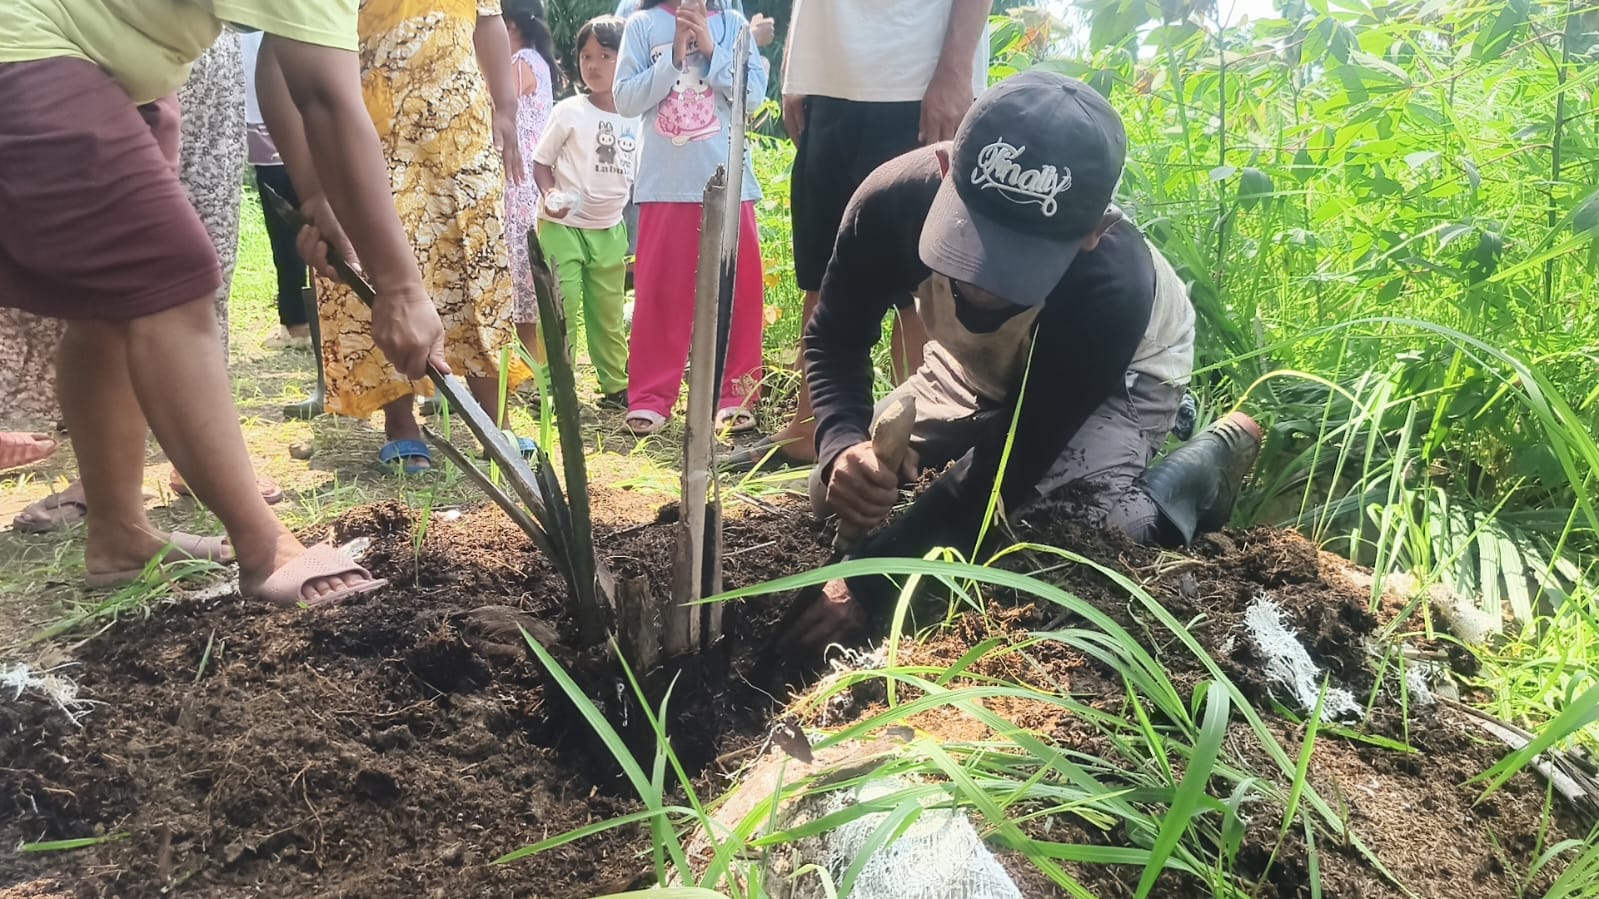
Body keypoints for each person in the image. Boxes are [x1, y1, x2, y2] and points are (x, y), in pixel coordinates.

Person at [780, 72, 1263, 656]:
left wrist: (870, 581)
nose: (983, 284)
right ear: (945, 171)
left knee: (1046, 536)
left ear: (1094, 232)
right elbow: (835, 336)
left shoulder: (1112, 284)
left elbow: (1009, 465)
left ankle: (1187, 477)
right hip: (973, 366)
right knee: (827, 492)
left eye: (1016, 260)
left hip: (1120, 378)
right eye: (970, 242)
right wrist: (843, 448)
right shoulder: (893, 200)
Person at [0, 0, 450, 604]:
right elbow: (319, 92)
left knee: (106, 303)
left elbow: (288, 56)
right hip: (29, 41)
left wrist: (318, 196)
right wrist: (399, 287)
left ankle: (119, 534)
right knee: (168, 275)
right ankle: (264, 546)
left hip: (118, 67)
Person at [6, 34, 283, 534]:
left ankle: (203, 466)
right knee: (103, 279)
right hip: (93, 50)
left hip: (201, 66)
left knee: (205, 270)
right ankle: (108, 489)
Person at [726, 0, 992, 472]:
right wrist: (799, 68)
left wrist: (956, 70)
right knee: (822, 268)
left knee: (923, 281)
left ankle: (919, 445)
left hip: (913, 75)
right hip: (829, 78)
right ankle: (811, 429)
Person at [312, 0, 534, 473]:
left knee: (479, 272)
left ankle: (496, 423)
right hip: (377, 137)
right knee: (381, 271)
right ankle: (401, 426)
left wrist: (506, 108)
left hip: (463, 137)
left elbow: (489, 22)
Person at [614, 0, 769, 436]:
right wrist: (674, 57)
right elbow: (625, 99)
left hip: (730, 181)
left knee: (738, 292)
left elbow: (753, 96)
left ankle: (736, 395)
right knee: (659, 294)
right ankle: (650, 397)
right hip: (664, 184)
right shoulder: (642, 24)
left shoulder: (734, 25)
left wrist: (711, 48)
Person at [529, 16, 640, 408]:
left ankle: (616, 385)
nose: (593, 65)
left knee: (608, 312)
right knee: (561, 307)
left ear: (627, 59)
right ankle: (555, 387)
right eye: (586, 56)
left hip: (610, 230)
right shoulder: (569, 112)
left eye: (605, 56)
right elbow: (541, 163)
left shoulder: (638, 116)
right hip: (563, 228)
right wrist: (550, 194)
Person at [241, 32, 314, 353]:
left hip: (280, 104)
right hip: (276, 106)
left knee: (288, 223)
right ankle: (298, 319)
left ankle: (299, 321)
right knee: (289, 220)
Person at [502, 0, 563, 364]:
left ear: (510, 26)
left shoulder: (520, 63)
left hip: (516, 183)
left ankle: (533, 365)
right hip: (526, 182)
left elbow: (493, 104)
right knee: (525, 278)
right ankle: (535, 363)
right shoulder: (537, 61)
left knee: (520, 279)